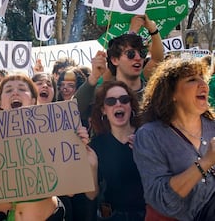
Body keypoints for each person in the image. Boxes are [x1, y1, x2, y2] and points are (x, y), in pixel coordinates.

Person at [0, 41, 98, 220]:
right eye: (8, 90)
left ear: (34, 100)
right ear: (0, 103)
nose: (15, 93)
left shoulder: (53, 129)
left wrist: (77, 146)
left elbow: (71, 191)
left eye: (22, 89)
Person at [133, 58, 215, 220]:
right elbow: (161, 199)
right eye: (192, 79)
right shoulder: (150, 135)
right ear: (172, 94)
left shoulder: (212, 127)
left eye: (203, 79)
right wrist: (206, 162)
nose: (203, 85)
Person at [76, 14, 164, 125]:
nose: (138, 58)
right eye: (130, 54)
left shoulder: (153, 94)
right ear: (115, 60)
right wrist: (93, 77)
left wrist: (153, 30)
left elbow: (157, 59)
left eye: (141, 53)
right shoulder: (102, 93)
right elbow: (72, 111)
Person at [90, 81, 145, 220]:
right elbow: (91, 195)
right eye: (111, 101)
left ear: (130, 105)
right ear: (103, 109)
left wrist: (146, 154)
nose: (118, 104)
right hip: (112, 216)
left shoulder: (146, 138)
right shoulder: (97, 145)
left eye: (124, 99)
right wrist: (92, 166)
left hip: (147, 214)